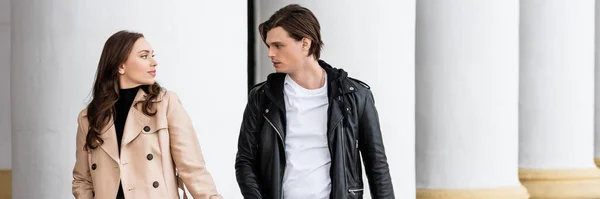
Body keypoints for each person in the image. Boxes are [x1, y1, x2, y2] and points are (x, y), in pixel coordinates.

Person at [235, 4, 394, 199]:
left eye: (278, 45)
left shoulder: (355, 96)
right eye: (269, 46)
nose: (270, 53)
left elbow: (376, 164)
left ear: (305, 43)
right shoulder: (262, 97)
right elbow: (245, 160)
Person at [72, 30, 221, 199]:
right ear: (121, 66)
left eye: (152, 55)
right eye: (144, 56)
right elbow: (82, 179)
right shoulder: (90, 117)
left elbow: (192, 168)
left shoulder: (165, 104)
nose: (154, 62)